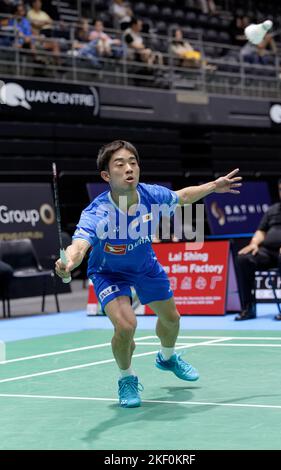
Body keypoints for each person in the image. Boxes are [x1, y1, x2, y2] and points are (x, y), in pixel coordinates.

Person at [55, 140, 242, 408]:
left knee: (172, 319)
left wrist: (214, 186)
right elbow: (79, 246)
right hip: (109, 273)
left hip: (145, 266)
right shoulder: (97, 212)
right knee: (126, 326)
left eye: (133, 162)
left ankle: (167, 358)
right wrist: (68, 263)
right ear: (106, 176)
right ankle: (126, 378)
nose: (129, 168)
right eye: (120, 164)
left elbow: (183, 196)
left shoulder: (150, 195)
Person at [236, 173, 281, 322]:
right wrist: (254, 244)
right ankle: (248, 307)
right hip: (269, 252)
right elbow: (261, 231)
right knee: (243, 258)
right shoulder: (273, 209)